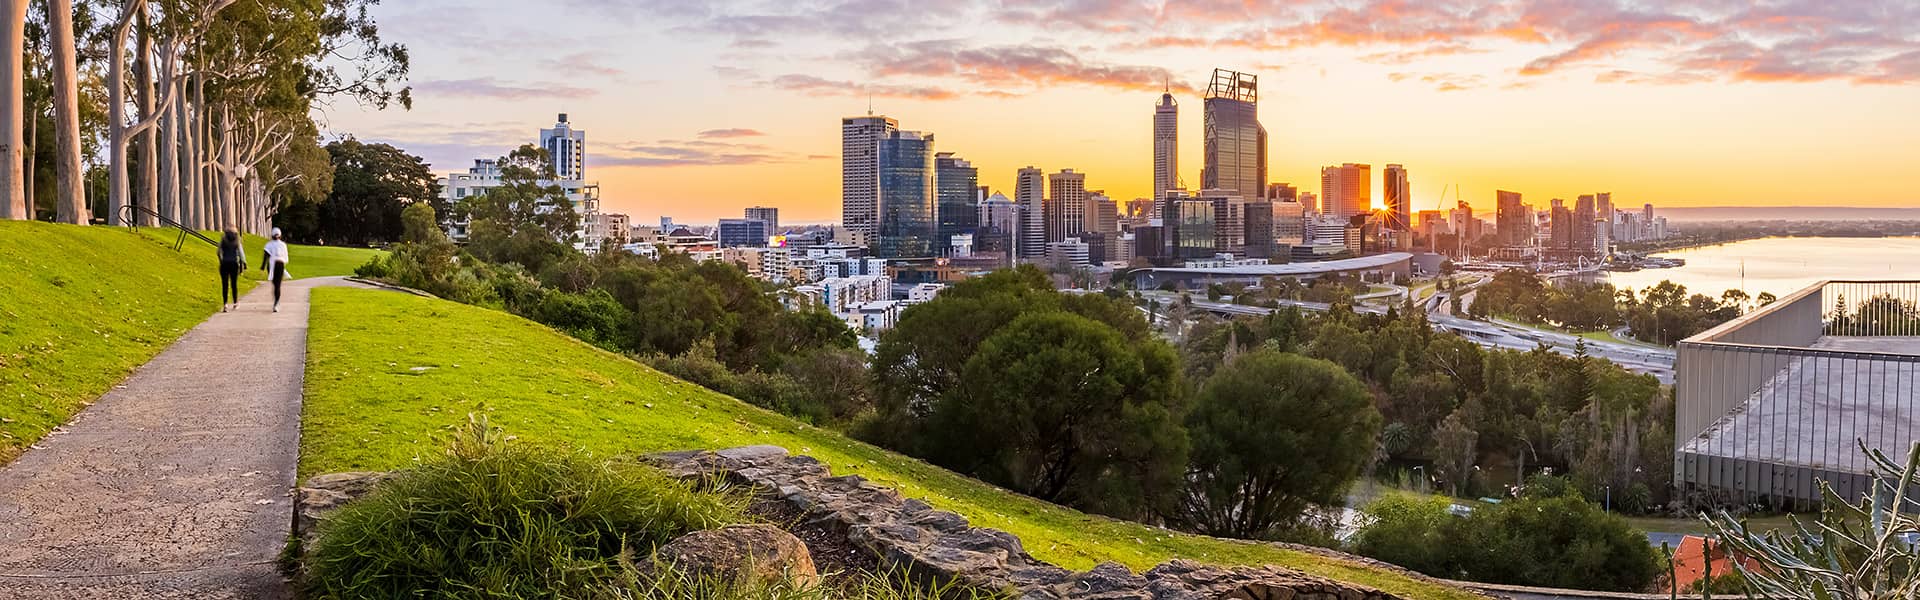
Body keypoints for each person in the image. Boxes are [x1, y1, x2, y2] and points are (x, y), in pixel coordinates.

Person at [261, 228, 291, 312]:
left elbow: (266, 256)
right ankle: (276, 302)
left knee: (275, 285)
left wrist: (263, 266)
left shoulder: (269, 244)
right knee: (277, 285)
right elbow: (286, 258)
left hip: (272, 265)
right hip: (280, 264)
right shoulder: (283, 245)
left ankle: (276, 302)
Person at [217, 230, 245, 312]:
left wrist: (221, 261)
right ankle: (235, 303)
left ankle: (225, 304)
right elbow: (241, 254)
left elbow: (218, 252)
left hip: (224, 263)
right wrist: (243, 264)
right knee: (234, 284)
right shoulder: (237, 241)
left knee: (224, 284)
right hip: (234, 263)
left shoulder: (223, 240)